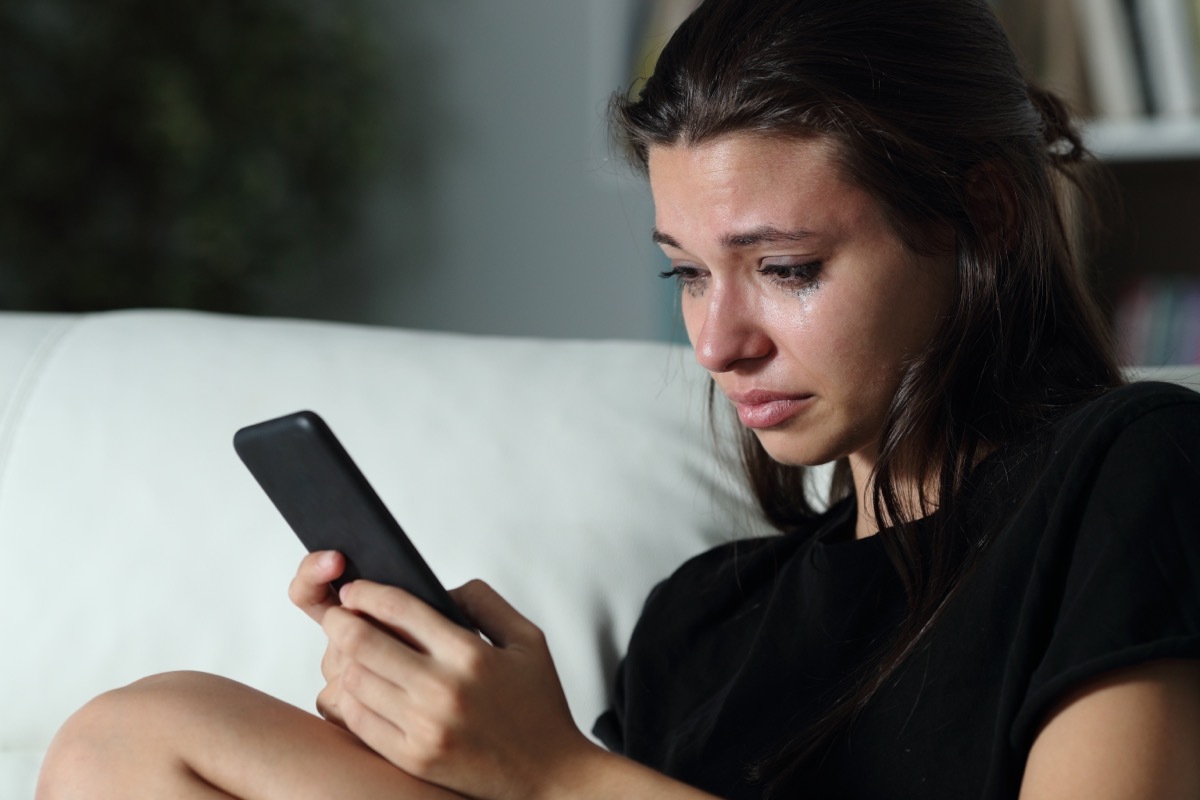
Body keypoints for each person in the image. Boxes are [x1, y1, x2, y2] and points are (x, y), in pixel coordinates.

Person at [37, 0, 1200, 798]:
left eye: (785, 267)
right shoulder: (701, 621)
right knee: (139, 734)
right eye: (686, 273)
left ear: (983, 216)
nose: (718, 342)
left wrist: (556, 772)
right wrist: (438, 737)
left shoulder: (1131, 470)